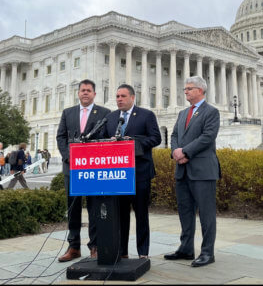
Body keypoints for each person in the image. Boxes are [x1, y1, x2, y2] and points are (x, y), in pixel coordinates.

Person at [164, 76, 220, 267]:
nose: (186, 91)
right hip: (182, 170)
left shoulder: (211, 112)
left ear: (200, 90)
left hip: (203, 171)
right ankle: (186, 248)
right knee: (185, 212)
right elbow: (174, 136)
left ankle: (207, 253)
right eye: (185, 89)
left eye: (189, 88)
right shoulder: (182, 114)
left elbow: (207, 137)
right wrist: (175, 152)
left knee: (206, 214)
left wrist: (186, 152)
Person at [103, 84, 161, 259]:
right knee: (121, 216)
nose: (119, 99)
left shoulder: (146, 115)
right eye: (117, 96)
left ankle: (143, 252)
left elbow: (156, 138)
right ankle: (122, 252)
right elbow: (103, 139)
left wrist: (133, 143)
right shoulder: (110, 117)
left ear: (132, 97)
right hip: (119, 174)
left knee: (141, 214)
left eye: (123, 96)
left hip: (140, 173)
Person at [56, 79, 110, 262]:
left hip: (93, 170)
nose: (85, 93)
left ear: (95, 93)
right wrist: (68, 157)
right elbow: (61, 137)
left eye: (88, 90)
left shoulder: (104, 113)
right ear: (78, 93)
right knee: (73, 208)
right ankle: (74, 247)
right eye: (82, 90)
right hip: (72, 169)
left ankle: (94, 246)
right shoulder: (68, 113)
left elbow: (108, 139)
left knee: (94, 208)